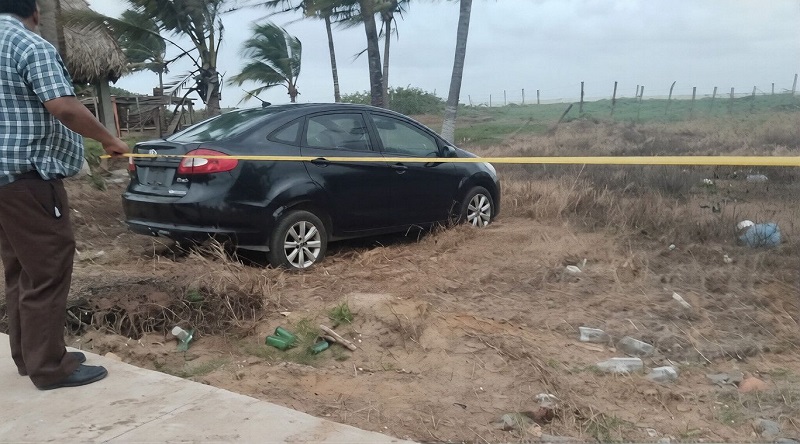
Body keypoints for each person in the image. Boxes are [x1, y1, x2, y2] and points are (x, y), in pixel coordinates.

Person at [0, 0, 128, 390]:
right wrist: (109, 140)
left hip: (3, 183)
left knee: (21, 269)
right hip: (29, 181)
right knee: (49, 268)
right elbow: (63, 107)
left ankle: (30, 356)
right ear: (34, 11)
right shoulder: (29, 45)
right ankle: (50, 367)